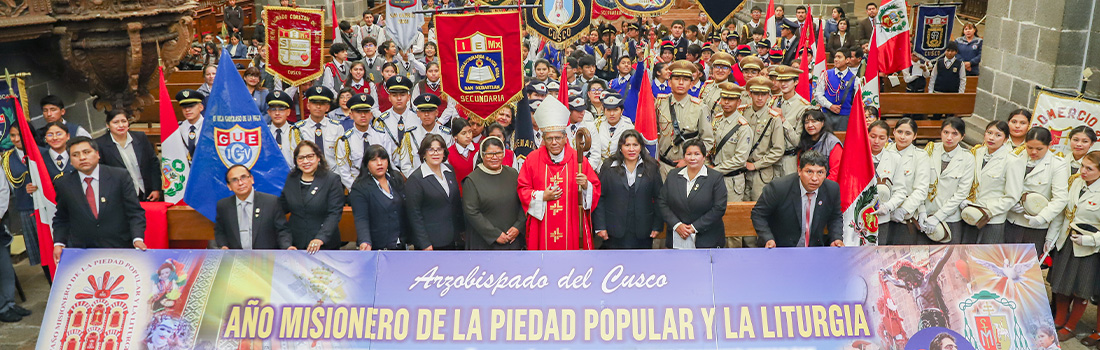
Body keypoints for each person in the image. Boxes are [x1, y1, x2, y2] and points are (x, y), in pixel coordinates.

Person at [517, 97, 602, 250]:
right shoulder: (532, 159)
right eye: (550, 138)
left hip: (572, 223)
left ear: (565, 138)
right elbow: (522, 189)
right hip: (542, 225)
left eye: (557, 138)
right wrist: (542, 196)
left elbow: (595, 189)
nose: (554, 142)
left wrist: (586, 186)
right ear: (543, 139)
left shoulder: (579, 160)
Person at [52, 137, 147, 263]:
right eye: (75, 155)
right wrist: (59, 243)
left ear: (97, 154)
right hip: (83, 252)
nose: (82, 158)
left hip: (119, 247)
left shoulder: (119, 176)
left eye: (86, 152)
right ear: (70, 161)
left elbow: (135, 212)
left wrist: (137, 238)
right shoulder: (63, 183)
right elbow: (62, 218)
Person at [1050, 151, 1100, 342]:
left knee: (1081, 289)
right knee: (1061, 284)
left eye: (1089, 168)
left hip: (1088, 248)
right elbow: (1064, 212)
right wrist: (1052, 237)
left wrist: (1090, 241)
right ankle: (1059, 319)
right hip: (1067, 240)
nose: (1083, 171)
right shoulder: (1075, 182)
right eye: (1082, 166)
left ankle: (1071, 325)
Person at [751, 149, 844, 247]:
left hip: (814, 250)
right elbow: (758, 214)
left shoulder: (832, 189)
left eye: (820, 172)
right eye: (809, 172)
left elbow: (835, 217)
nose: (815, 178)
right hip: (781, 249)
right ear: (799, 170)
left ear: (826, 173)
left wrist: (836, 238)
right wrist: (767, 238)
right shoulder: (779, 188)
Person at [1004, 127, 1069, 255]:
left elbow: (1060, 198)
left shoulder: (1057, 164)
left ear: (1049, 145)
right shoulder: (1014, 158)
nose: (1033, 152)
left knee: (1025, 269)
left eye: (1039, 149)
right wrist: (1010, 203)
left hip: (1035, 226)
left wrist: (1042, 217)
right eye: (1029, 147)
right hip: (1010, 220)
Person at [595, 130, 663, 249]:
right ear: (620, 147)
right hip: (614, 231)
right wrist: (600, 226)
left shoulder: (651, 166)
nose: (631, 149)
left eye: (635, 145)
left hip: (643, 231)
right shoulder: (609, 166)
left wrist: (657, 226)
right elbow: (600, 196)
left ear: (641, 147)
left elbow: (659, 198)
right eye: (627, 145)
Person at [658, 139, 727, 249]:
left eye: (697, 154)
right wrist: (677, 225)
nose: (692, 158)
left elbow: (719, 208)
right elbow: (662, 202)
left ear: (704, 157)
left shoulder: (715, 178)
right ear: (684, 156)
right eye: (689, 154)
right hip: (677, 237)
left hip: (707, 239)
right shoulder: (673, 175)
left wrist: (694, 227)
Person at [279, 141, 345, 253]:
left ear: (318, 157)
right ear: (296, 161)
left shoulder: (332, 180)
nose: (305, 161)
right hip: (296, 245)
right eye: (301, 158)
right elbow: (281, 208)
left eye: (310, 156)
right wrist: (286, 243)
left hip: (324, 245)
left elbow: (334, 213)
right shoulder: (291, 179)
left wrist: (320, 238)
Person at [959, 120, 1018, 244]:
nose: (992, 138)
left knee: (986, 258)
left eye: (998, 135)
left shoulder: (1011, 161)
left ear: (1006, 139)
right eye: (989, 133)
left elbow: (1012, 196)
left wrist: (987, 210)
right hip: (970, 214)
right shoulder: (977, 153)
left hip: (992, 219)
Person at [463, 137, 525, 250]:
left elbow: (523, 201)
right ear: (482, 155)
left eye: (499, 153)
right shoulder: (472, 180)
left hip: (512, 240)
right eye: (490, 154)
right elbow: (471, 212)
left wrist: (518, 227)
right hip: (484, 243)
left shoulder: (512, 174)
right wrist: (494, 234)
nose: (495, 157)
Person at [920, 117, 974, 244]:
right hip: (926, 214)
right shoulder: (930, 150)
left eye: (955, 134)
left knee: (950, 259)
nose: (949, 137)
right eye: (946, 132)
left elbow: (962, 192)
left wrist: (939, 216)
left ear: (962, 136)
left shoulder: (967, 158)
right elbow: (920, 183)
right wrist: (921, 210)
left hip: (950, 217)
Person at [875, 118, 930, 245]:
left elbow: (921, 189)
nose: (903, 137)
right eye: (899, 132)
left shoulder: (920, 156)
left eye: (908, 133)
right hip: (882, 213)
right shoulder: (885, 151)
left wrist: (903, 210)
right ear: (893, 132)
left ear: (915, 136)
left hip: (904, 217)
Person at [656, 60, 715, 176]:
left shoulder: (700, 108)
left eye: (686, 80)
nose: (681, 83)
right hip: (663, 167)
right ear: (669, 82)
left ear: (691, 84)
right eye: (677, 79)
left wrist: (690, 160)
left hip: (690, 168)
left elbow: (708, 141)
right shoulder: (659, 104)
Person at [406, 135, 464, 250]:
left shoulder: (449, 171)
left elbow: (455, 203)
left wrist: (462, 230)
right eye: (431, 149)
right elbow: (414, 215)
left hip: (452, 238)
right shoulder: (416, 179)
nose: (435, 153)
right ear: (423, 153)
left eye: (439, 149)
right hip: (430, 243)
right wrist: (424, 243)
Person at [214, 165, 292, 250]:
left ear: (251, 179)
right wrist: (223, 246)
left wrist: (287, 247)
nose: (240, 183)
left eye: (243, 177)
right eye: (234, 180)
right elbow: (220, 231)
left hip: (266, 259)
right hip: (236, 258)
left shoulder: (271, 202)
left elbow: (282, 230)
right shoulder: (223, 205)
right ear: (229, 186)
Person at [349, 145, 408, 250]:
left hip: (400, 244)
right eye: (374, 160)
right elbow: (361, 218)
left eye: (383, 159)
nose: (379, 163)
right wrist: (365, 241)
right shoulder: (359, 187)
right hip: (377, 246)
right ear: (367, 164)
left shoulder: (396, 179)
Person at [95, 110, 161, 201]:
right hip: (120, 196)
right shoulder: (100, 144)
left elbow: (153, 163)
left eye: (124, 121)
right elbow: (102, 173)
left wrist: (156, 188)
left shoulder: (140, 137)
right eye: (116, 122)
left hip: (147, 192)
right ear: (108, 125)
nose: (121, 125)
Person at [709, 83, 753, 203]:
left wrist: (715, 170)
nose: (726, 102)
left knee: (730, 217)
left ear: (738, 102)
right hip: (714, 178)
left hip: (732, 181)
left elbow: (740, 159)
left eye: (731, 99)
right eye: (724, 98)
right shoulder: (717, 120)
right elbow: (710, 146)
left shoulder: (743, 127)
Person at [743, 77, 785, 200]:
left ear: (769, 96)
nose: (760, 98)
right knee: (739, 209)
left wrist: (756, 165)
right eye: (756, 94)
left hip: (762, 173)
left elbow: (778, 149)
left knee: (759, 208)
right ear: (750, 94)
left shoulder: (774, 118)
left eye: (764, 94)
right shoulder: (743, 113)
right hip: (742, 170)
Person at [371, 75, 419, 177]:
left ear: (408, 97)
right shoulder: (381, 121)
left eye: (402, 95)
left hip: (415, 170)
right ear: (389, 97)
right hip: (390, 171)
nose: (398, 98)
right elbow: (380, 149)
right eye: (394, 95)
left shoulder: (418, 117)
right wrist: (395, 172)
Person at [867, 121, 902, 245]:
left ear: (888, 139)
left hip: (882, 217)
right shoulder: (857, 156)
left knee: (879, 254)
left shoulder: (895, 158)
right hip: (858, 217)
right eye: (873, 136)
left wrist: (888, 206)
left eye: (882, 138)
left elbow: (900, 191)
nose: (876, 141)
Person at [293, 86, 343, 171]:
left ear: (327, 107)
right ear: (308, 105)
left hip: (332, 175)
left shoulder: (337, 128)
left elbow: (341, 158)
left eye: (322, 103)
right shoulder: (298, 129)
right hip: (307, 174)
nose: (318, 106)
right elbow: (295, 157)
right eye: (314, 103)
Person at [774, 65, 812, 174]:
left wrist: (783, 120)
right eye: (780, 80)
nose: (783, 84)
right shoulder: (773, 101)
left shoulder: (803, 106)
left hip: (789, 158)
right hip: (771, 158)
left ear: (796, 82)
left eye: (787, 80)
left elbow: (798, 141)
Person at [334, 93, 376, 188]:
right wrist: (357, 190)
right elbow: (344, 172)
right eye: (358, 112)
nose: (363, 115)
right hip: (356, 186)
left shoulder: (381, 136)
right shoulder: (344, 141)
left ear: (371, 115)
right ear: (351, 115)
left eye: (366, 111)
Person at [814, 51, 857, 131]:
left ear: (847, 60)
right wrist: (830, 106)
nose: (836, 59)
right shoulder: (826, 74)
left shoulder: (855, 78)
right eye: (835, 57)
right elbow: (818, 94)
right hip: (827, 114)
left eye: (839, 57)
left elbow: (856, 99)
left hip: (845, 116)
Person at [797, 109, 843, 182]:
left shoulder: (832, 142)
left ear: (822, 123)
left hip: (825, 186)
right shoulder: (804, 139)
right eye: (806, 122)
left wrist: (821, 188)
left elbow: (836, 171)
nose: (810, 125)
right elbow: (800, 166)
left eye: (814, 121)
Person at [593, 93, 633, 169]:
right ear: (603, 110)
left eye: (615, 110)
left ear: (622, 111)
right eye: (608, 110)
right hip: (599, 166)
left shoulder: (628, 126)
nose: (612, 114)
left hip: (621, 166)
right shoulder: (596, 124)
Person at [266, 90, 297, 167]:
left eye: (281, 109)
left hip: (291, 175)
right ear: (269, 112)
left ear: (288, 112)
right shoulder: (264, 133)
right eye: (273, 109)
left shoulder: (296, 133)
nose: (277, 113)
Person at [173, 89, 205, 160]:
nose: (187, 110)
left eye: (191, 106)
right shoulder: (179, 128)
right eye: (184, 107)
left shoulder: (209, 127)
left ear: (201, 107)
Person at [447, 118, 478, 185]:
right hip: (458, 192)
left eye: (470, 132)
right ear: (455, 136)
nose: (468, 136)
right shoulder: (449, 153)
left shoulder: (479, 149)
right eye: (463, 133)